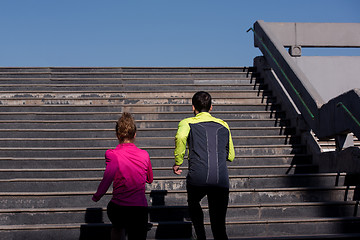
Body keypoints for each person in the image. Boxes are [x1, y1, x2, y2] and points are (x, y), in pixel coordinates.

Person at [173, 91, 235, 240]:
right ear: (211, 107)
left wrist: (178, 161)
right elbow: (231, 156)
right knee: (219, 225)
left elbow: (181, 137)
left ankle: (200, 235)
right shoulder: (224, 125)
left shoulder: (187, 122)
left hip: (197, 176)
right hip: (220, 178)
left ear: (193, 107)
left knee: (193, 201)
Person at [92, 112, 153, 240]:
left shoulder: (112, 154)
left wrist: (97, 196)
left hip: (119, 208)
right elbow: (150, 179)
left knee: (117, 227)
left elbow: (107, 178)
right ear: (135, 134)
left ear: (117, 135)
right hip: (139, 209)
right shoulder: (144, 155)